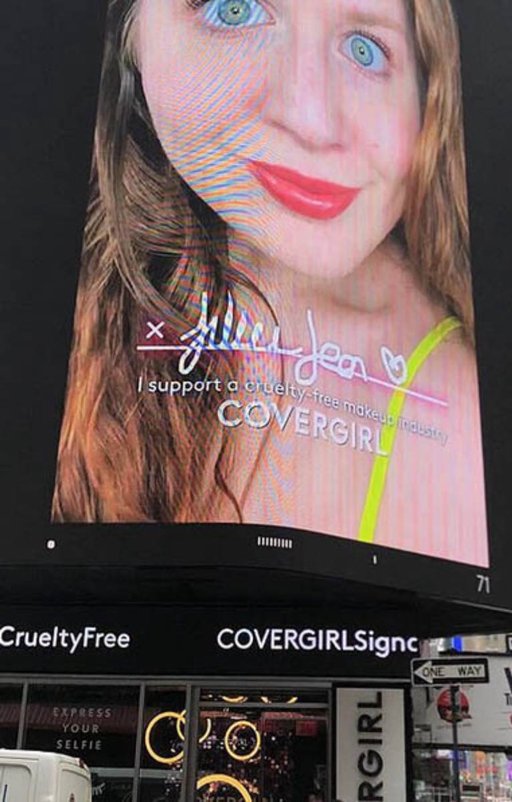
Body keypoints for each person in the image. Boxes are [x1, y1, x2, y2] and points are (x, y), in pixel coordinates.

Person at [53, 0, 488, 567]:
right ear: (128, 34)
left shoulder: (455, 430)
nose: (311, 120)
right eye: (232, 10)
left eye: (366, 49)